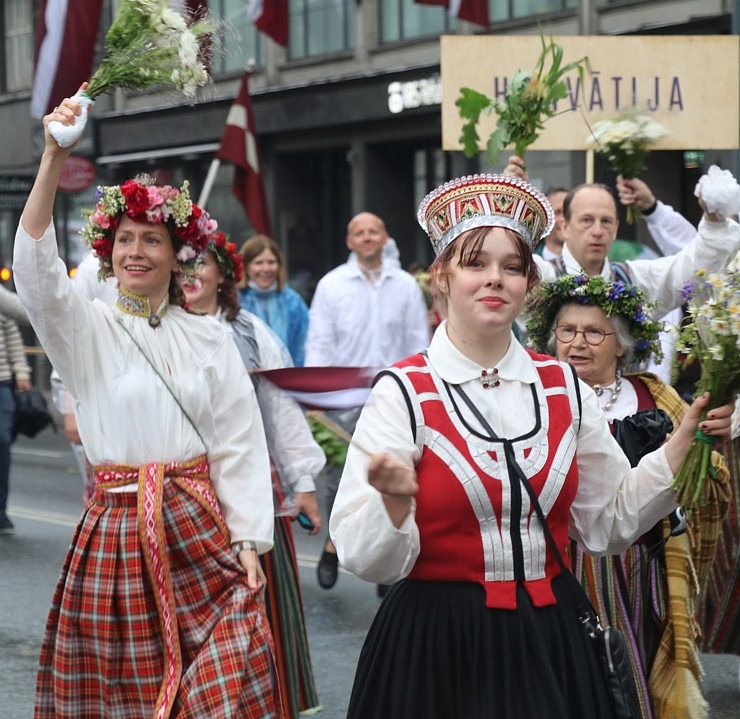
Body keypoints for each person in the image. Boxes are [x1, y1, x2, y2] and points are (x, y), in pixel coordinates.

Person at [328, 173, 734, 719]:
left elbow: (608, 520)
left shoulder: (562, 386)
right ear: (442, 278)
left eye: (512, 267)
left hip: (551, 637)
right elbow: (364, 555)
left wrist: (680, 445)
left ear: (528, 282)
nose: (495, 279)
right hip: (437, 651)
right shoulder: (403, 393)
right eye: (476, 263)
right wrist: (396, 503)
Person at [15, 92, 281, 718]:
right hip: (116, 533)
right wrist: (54, 156)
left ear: (176, 255)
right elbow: (34, 272)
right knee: (124, 698)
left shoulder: (210, 337)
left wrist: (249, 539)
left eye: (152, 240)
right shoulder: (86, 329)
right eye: (126, 239)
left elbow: (238, 440)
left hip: (197, 531)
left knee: (219, 687)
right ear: (108, 252)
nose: (136, 250)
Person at [524, 273, 732, 719]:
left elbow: (706, 474)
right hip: (559, 563)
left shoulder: (653, 397)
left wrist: (710, 440)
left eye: (594, 332)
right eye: (567, 331)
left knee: (632, 675)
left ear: (620, 344)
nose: (577, 342)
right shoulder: (535, 399)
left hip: (641, 569)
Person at [183, 232, 325, 717]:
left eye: (200, 263)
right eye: (181, 264)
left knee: (260, 603)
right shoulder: (158, 329)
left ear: (224, 273)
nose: (191, 274)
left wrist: (303, 483)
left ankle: (270, 703)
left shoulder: (249, 333)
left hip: (252, 488)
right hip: (182, 495)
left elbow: (282, 409)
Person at [305, 211, 430, 590]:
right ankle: (333, 545)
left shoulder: (406, 286)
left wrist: (421, 391)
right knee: (336, 478)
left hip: (393, 395)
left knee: (395, 469)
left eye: (373, 231)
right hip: (344, 396)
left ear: (384, 237)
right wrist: (315, 394)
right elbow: (320, 341)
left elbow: (417, 340)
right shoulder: (332, 285)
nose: (367, 237)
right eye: (359, 232)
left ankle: (386, 553)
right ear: (350, 241)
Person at [504, 155, 740, 321]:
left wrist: (714, 220)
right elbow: (505, 259)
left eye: (606, 221)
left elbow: (689, 269)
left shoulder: (634, 280)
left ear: (616, 229)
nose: (597, 231)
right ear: (564, 226)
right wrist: (511, 202)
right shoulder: (542, 276)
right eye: (587, 220)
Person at [239, 234, 309, 367]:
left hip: (288, 379)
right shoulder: (235, 301)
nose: (266, 269)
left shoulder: (293, 302)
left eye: (271, 262)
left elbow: (304, 344)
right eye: (259, 263)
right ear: (246, 267)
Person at [0, 310, 32, 534]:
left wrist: (21, 372)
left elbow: (13, 336)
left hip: (2, 383)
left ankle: (0, 511)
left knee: (2, 442)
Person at [537, 186, 568, 260]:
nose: (563, 219)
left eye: (567, 212)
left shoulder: (592, 263)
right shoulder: (529, 262)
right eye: (558, 212)